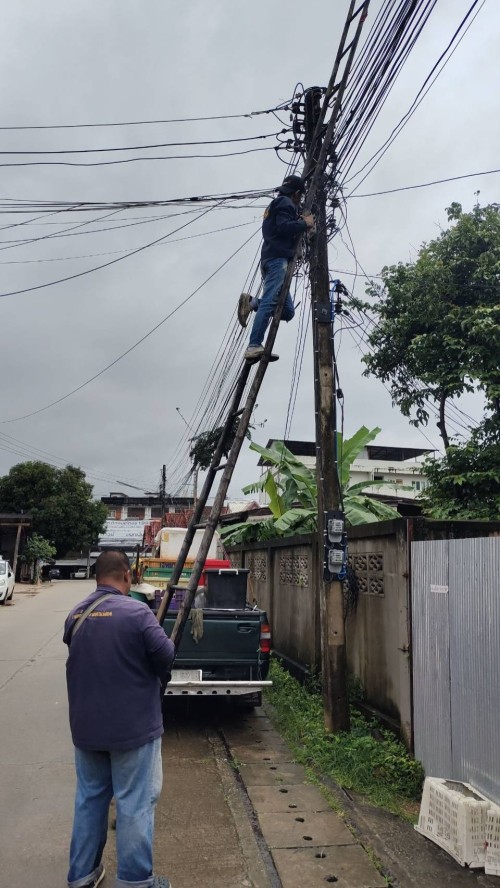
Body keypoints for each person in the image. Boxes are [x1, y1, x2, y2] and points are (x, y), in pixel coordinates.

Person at [63, 549, 175, 888]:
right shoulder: (138, 613)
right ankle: (136, 881)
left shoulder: (76, 614)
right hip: (133, 731)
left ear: (97, 576)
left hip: (87, 730)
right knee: (135, 804)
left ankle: (82, 876)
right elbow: (166, 656)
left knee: (89, 801)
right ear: (127, 575)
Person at [239, 174, 315, 361]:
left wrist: (299, 222)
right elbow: (283, 227)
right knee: (270, 302)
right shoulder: (285, 203)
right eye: (300, 196)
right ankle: (254, 345)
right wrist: (303, 223)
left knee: (287, 311)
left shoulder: (277, 204)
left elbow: (280, 226)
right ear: (297, 194)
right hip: (276, 261)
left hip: (271, 259)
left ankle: (252, 303)